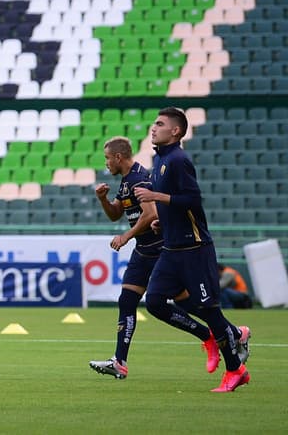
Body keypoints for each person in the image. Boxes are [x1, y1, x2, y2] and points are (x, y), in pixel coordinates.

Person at [132, 107, 252, 392]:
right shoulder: (160, 160)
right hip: (172, 248)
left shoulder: (178, 160)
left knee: (208, 309)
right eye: (154, 123)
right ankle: (214, 335)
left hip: (194, 249)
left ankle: (236, 370)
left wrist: (155, 196)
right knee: (155, 302)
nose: (153, 128)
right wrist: (162, 222)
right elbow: (175, 205)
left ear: (175, 131)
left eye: (160, 123)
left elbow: (192, 199)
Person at [88, 136, 163, 379]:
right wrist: (103, 199)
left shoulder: (138, 178)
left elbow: (151, 214)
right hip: (143, 250)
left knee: (182, 304)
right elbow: (115, 214)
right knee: (127, 301)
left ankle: (222, 335)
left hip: (160, 249)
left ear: (118, 157)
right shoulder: (126, 181)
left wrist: (126, 236)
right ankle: (119, 362)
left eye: (107, 158)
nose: (106, 163)